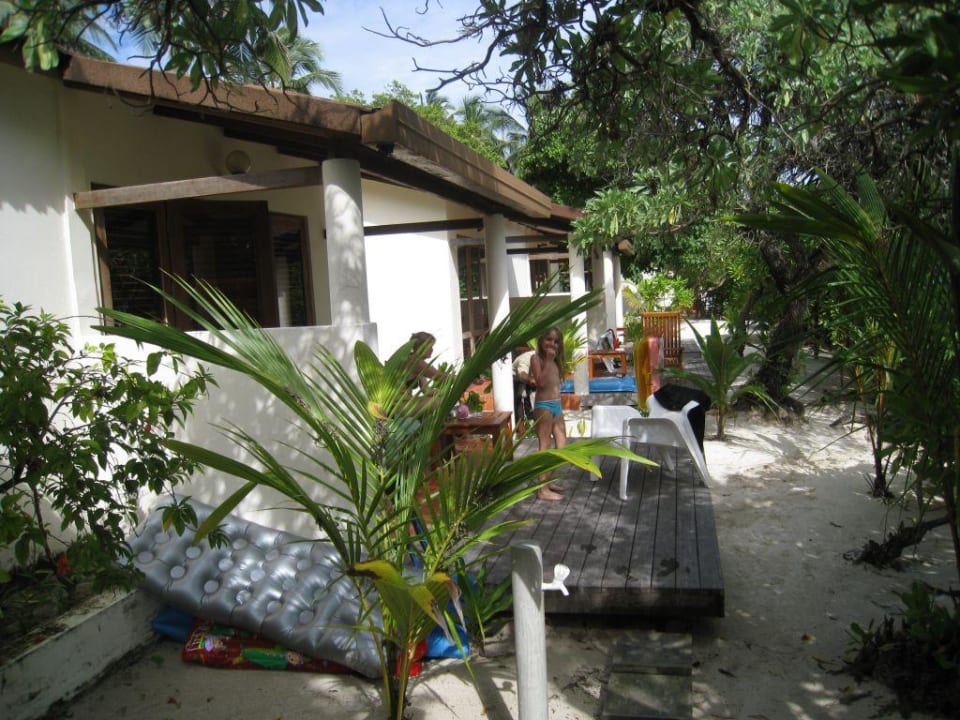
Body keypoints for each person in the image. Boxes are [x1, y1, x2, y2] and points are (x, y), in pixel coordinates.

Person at [529, 327, 567, 501]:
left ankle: (547, 481)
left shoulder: (557, 361)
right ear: (541, 341)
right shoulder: (536, 359)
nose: (552, 343)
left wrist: (554, 361)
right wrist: (549, 361)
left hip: (557, 405)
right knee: (544, 446)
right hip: (543, 406)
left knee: (562, 447)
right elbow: (541, 383)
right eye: (549, 339)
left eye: (556, 341)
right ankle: (541, 490)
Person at [512, 344, 536, 432]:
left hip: (531, 378)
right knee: (518, 406)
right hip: (516, 379)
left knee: (533, 404)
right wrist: (532, 380)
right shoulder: (525, 359)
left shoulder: (545, 358)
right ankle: (520, 432)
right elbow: (522, 375)